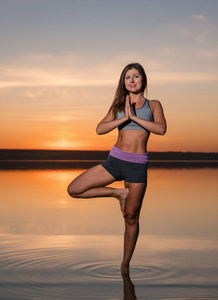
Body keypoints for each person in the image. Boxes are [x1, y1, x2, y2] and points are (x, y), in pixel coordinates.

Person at [67, 62, 167, 273]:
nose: (132, 80)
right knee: (74, 190)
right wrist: (123, 118)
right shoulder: (118, 106)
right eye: (127, 77)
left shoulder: (154, 104)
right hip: (114, 161)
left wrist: (136, 118)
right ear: (123, 82)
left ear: (143, 80)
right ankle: (117, 194)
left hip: (137, 166)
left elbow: (161, 129)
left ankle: (124, 266)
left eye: (136, 76)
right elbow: (99, 129)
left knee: (131, 217)